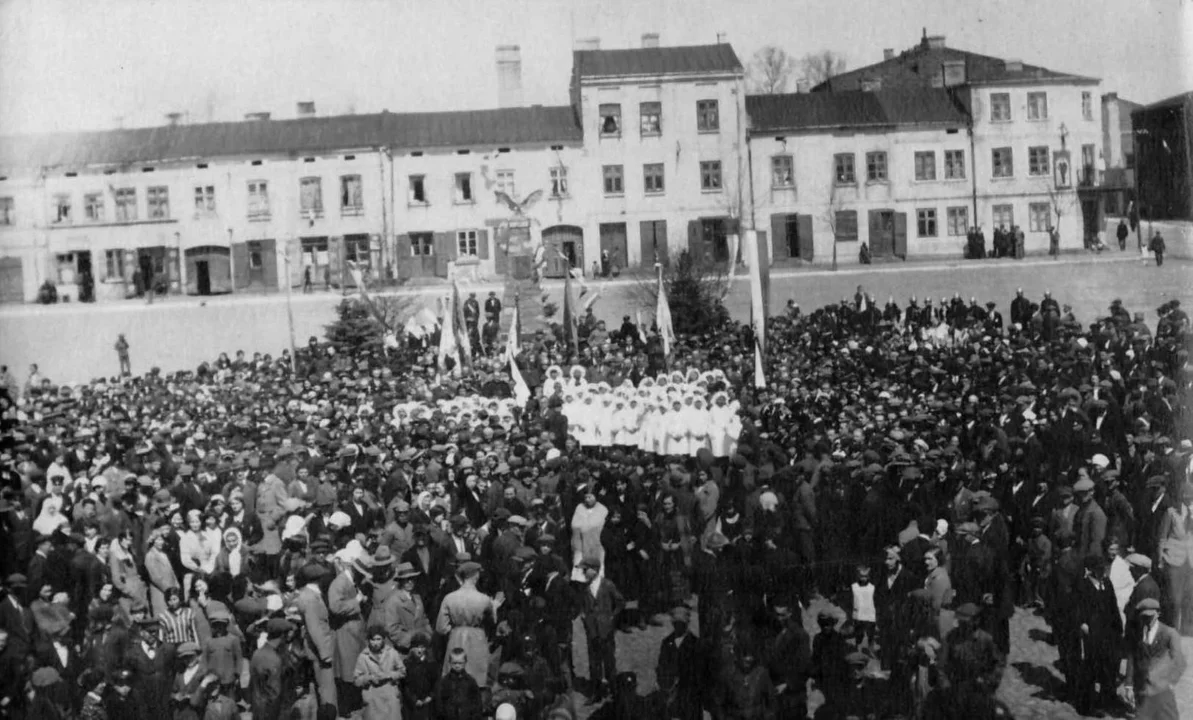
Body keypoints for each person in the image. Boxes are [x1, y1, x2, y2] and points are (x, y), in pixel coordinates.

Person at [579, 556, 623, 703]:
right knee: (594, 663)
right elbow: (584, 605)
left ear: (595, 570)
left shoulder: (607, 585)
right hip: (592, 632)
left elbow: (620, 602)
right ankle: (596, 692)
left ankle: (614, 691)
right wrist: (584, 617)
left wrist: (612, 618)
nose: (584, 573)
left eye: (586, 570)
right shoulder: (585, 588)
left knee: (609, 662)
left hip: (606, 631)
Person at [353, 625, 404, 720]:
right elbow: (356, 680)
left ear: (383, 639)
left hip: (390, 697)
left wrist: (388, 675)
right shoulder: (363, 656)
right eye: (373, 639)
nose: (375, 643)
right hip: (372, 698)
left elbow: (402, 672)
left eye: (378, 639)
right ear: (368, 640)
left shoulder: (392, 653)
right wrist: (369, 678)